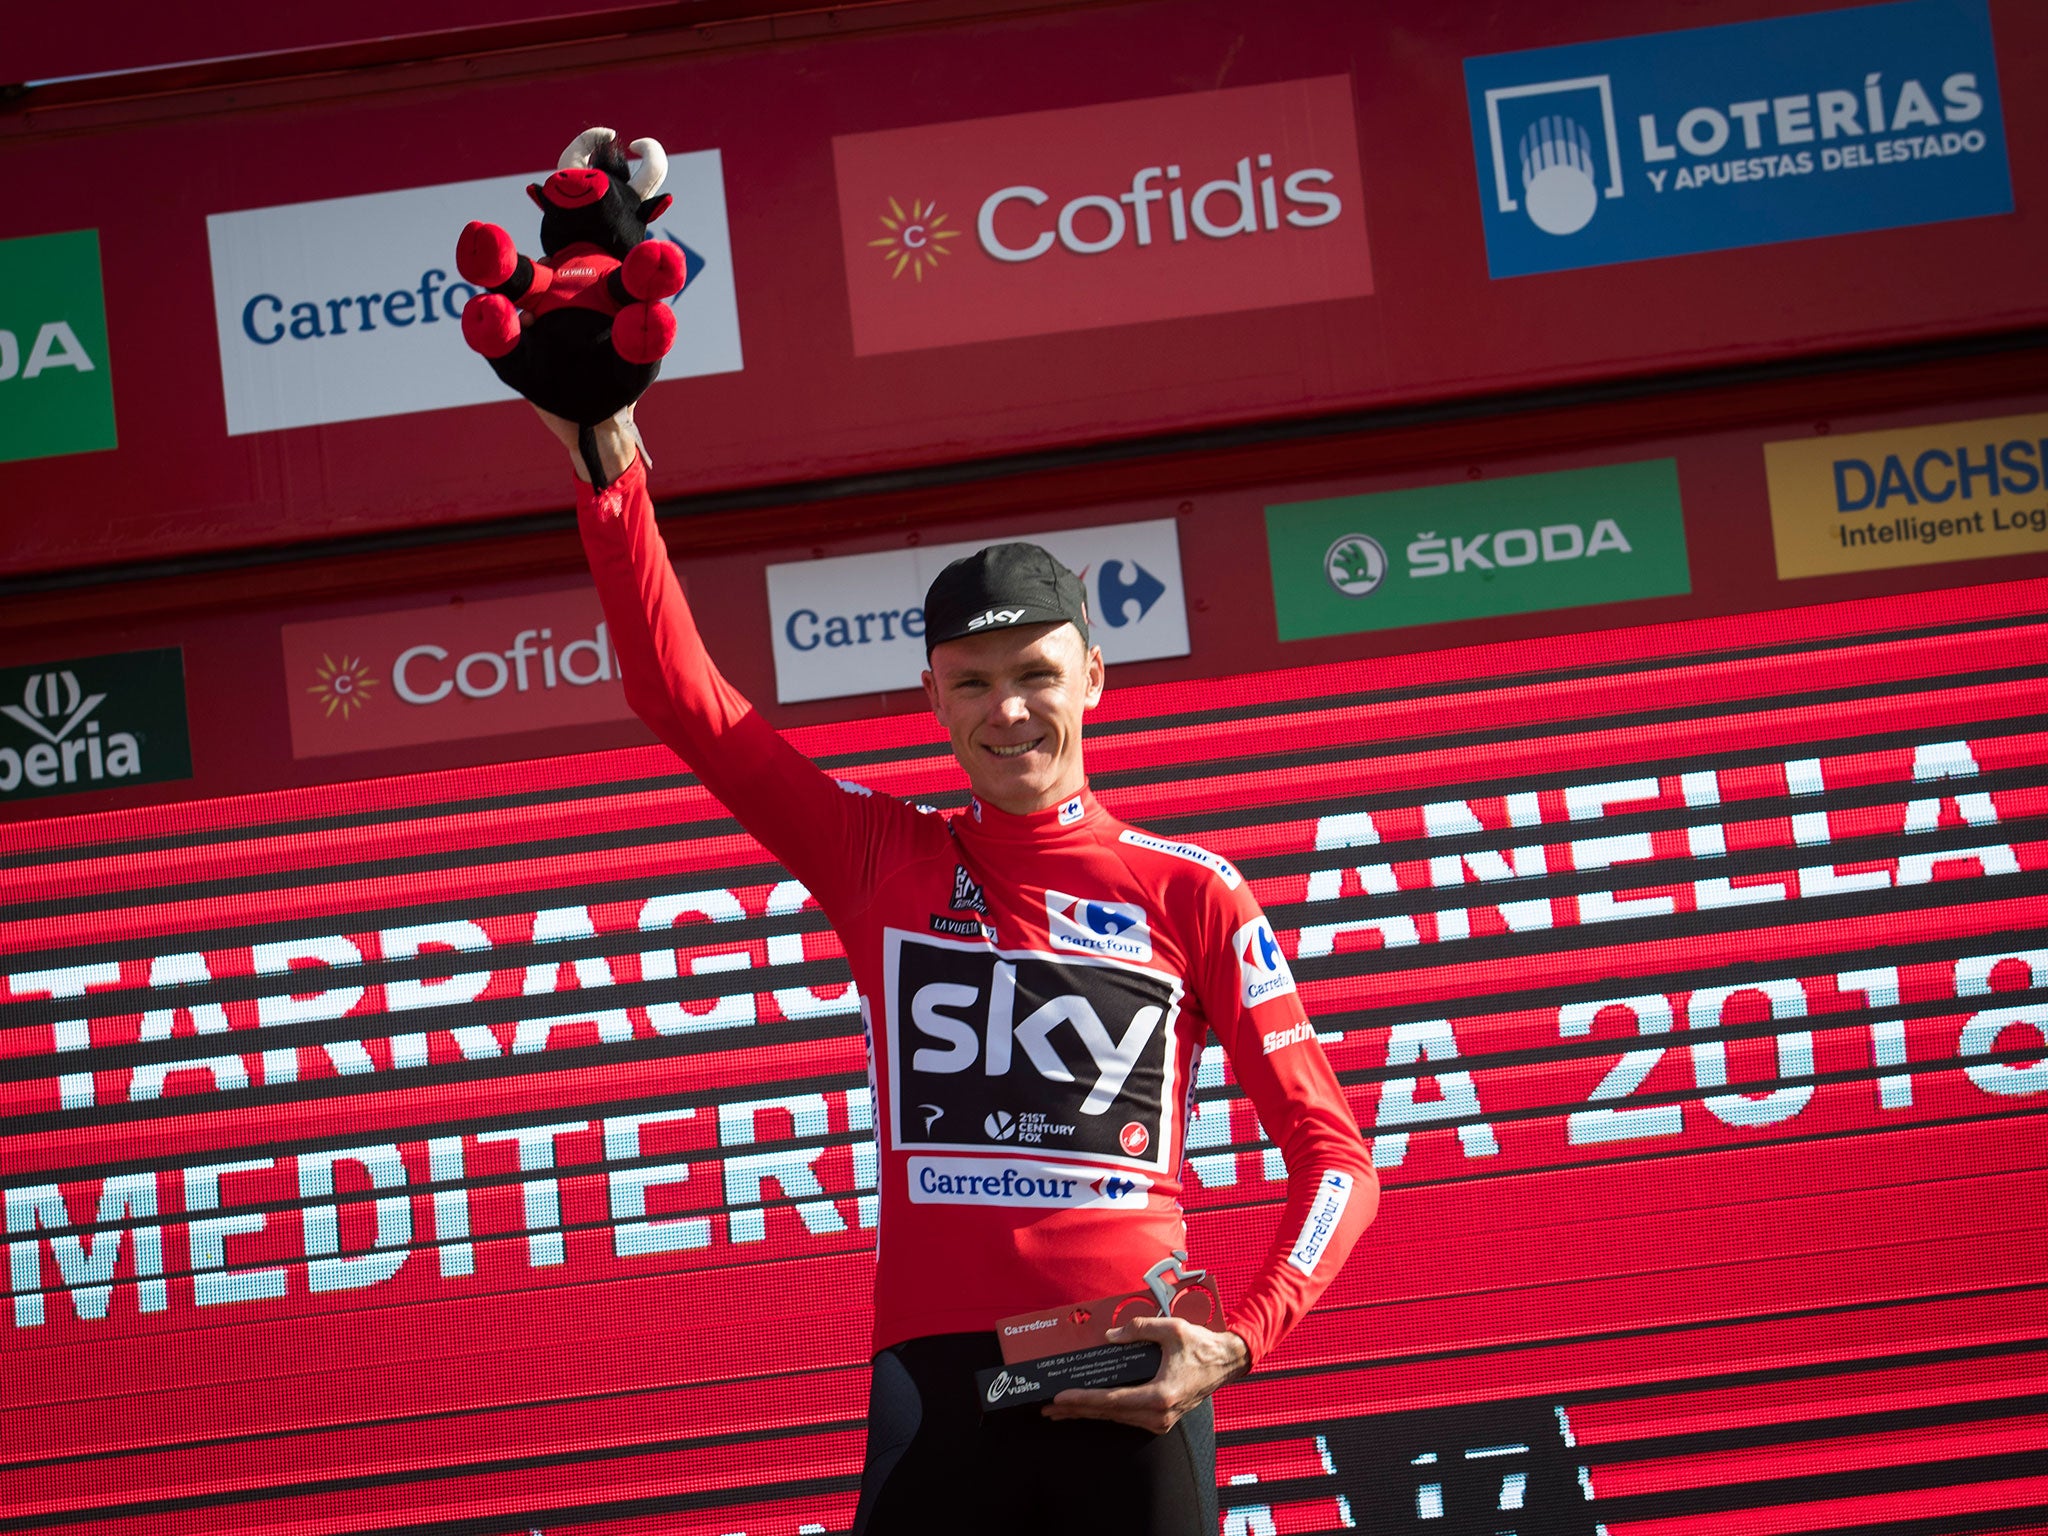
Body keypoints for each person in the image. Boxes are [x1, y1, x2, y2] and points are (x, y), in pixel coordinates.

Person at [548, 404, 1377, 1534]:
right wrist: (609, 463)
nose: (1009, 709)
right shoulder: (879, 853)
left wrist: (1239, 1340)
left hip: (1134, 1361)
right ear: (930, 697)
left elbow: (1334, 1156)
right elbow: (676, 693)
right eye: (973, 681)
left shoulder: (1193, 889)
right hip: (934, 1376)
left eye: (1034, 673)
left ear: (1092, 675)